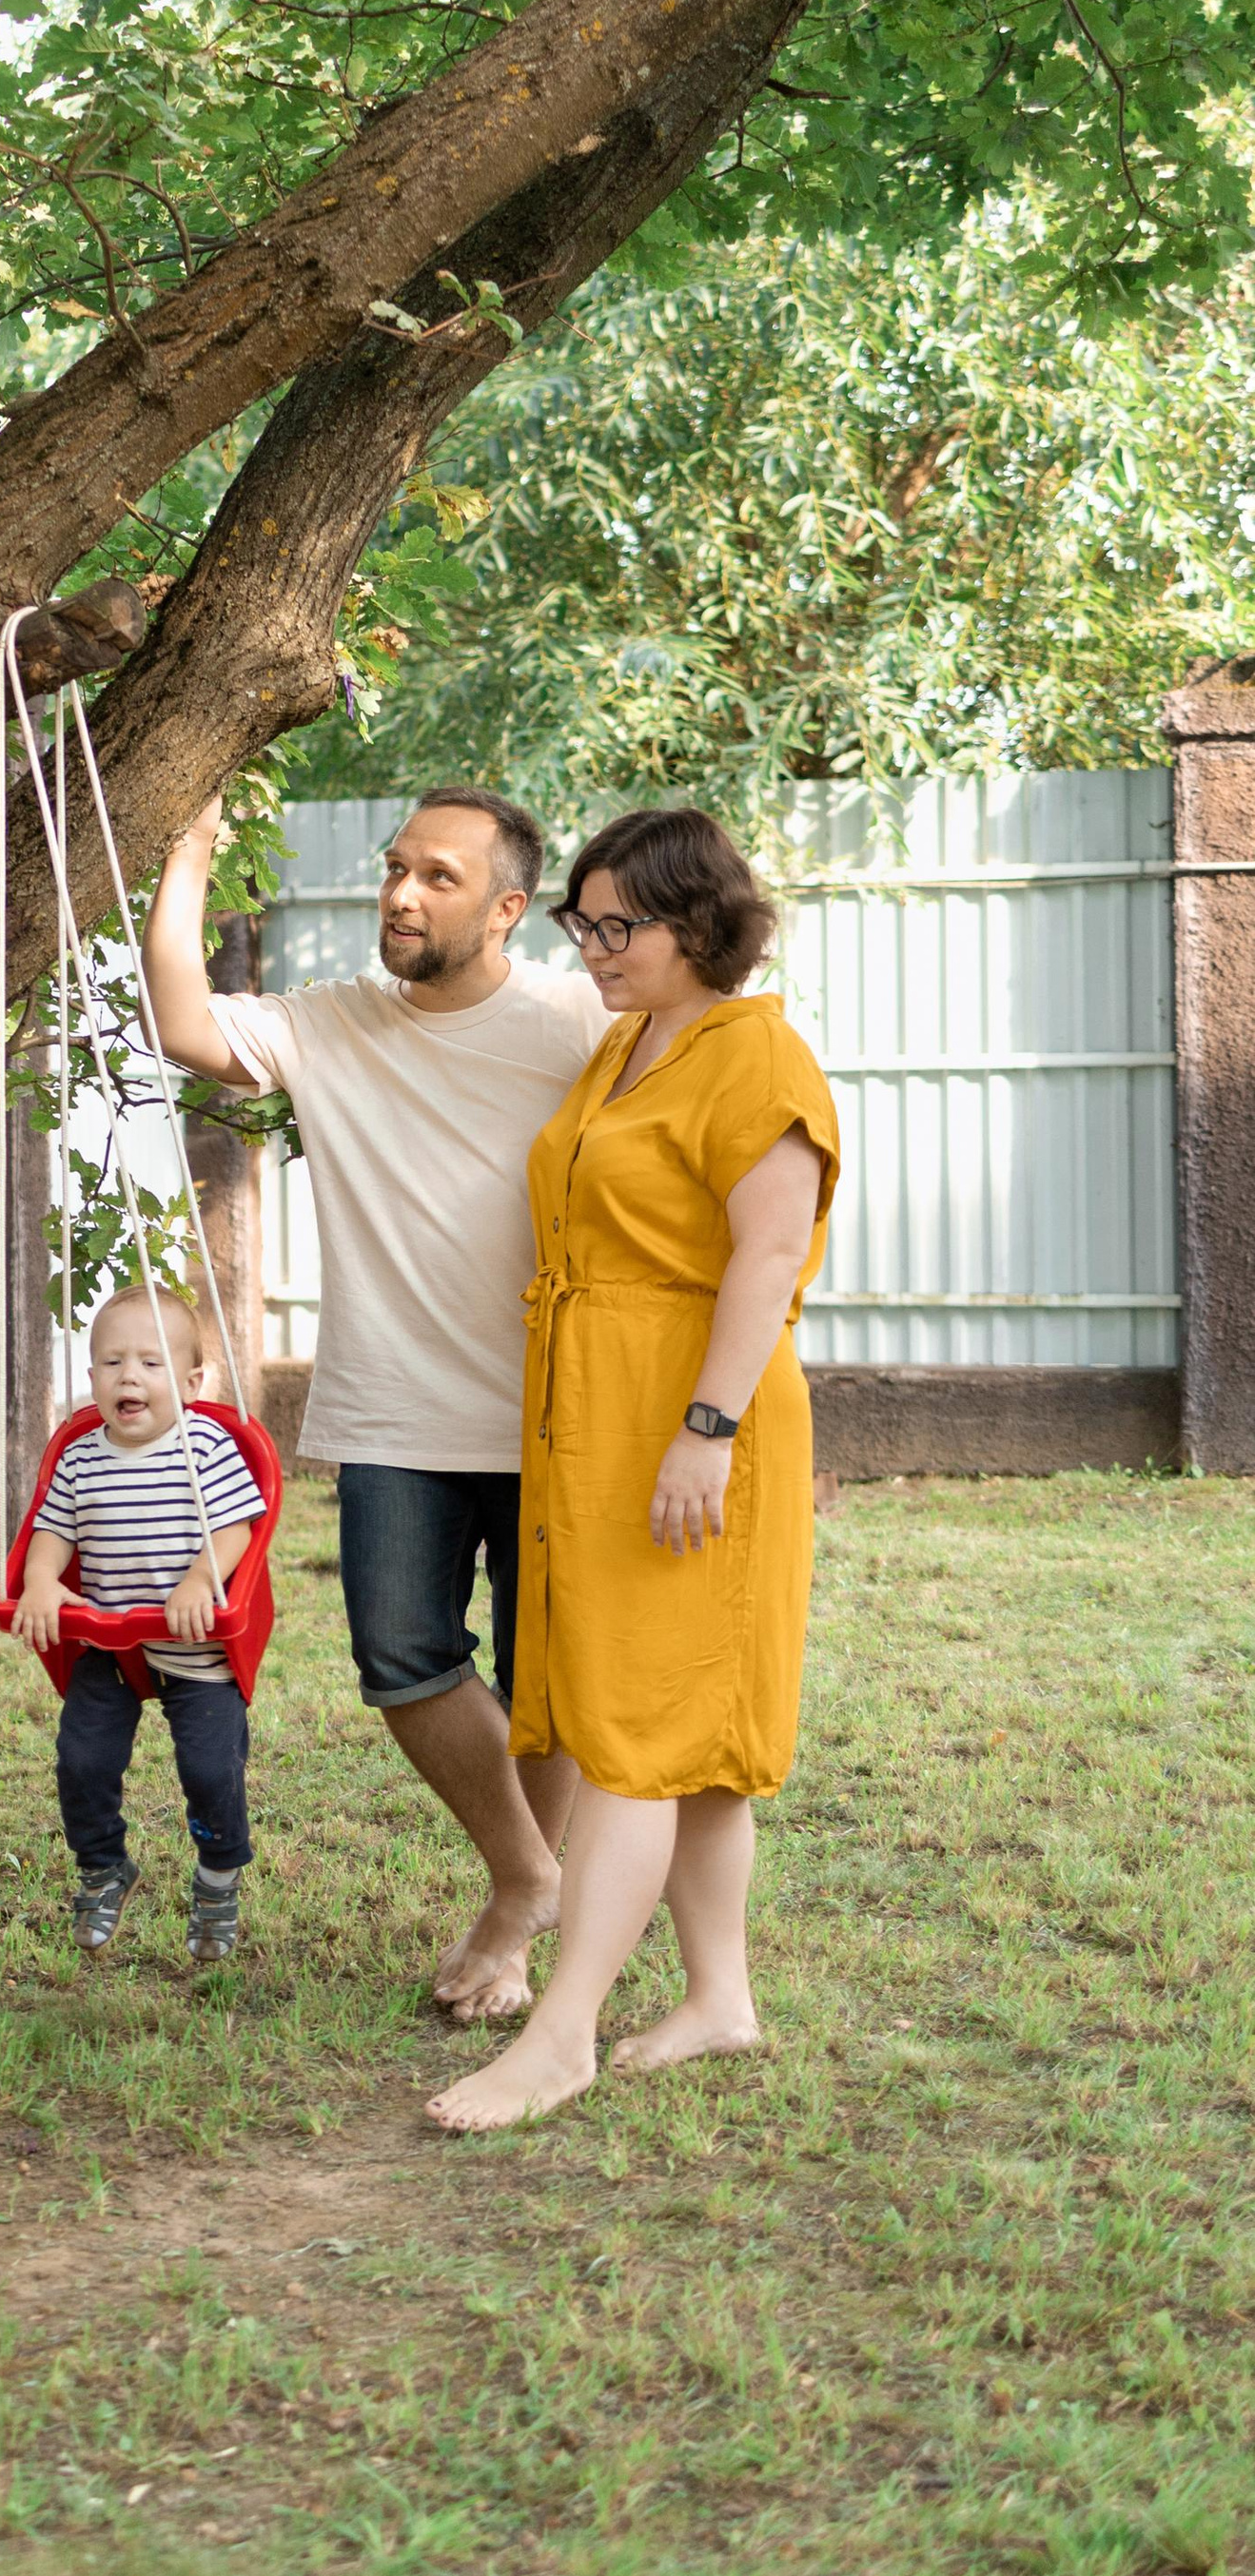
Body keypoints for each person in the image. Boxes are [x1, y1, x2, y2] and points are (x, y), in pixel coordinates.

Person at [145, 788, 604, 2018]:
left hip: (563, 1413)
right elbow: (183, 1023)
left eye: (439, 877)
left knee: (544, 1680)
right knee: (404, 1661)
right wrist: (189, 850)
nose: (401, 894)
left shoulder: (576, 1017)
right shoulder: (329, 1024)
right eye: (396, 869)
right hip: (396, 1406)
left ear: (510, 908)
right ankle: (529, 1879)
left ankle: (513, 1924)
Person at [427, 808, 838, 2133]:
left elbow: (767, 1261)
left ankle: (563, 2032)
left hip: (691, 1420)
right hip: (602, 1417)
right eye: (583, 924)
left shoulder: (755, 1056)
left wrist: (705, 1434)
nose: (595, 948)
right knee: (684, 1735)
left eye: (623, 926)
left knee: (634, 1741)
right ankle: (719, 1999)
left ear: (703, 924)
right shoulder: (626, 1046)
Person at [12, 1282, 267, 1965]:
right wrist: (40, 1581)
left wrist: (197, 1580)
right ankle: (103, 1867)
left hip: (195, 1643)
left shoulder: (206, 1444)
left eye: (151, 1363)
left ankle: (218, 1873)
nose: (130, 1375)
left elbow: (238, 1527)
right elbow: (52, 1533)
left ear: (190, 1381)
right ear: (90, 1375)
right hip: (108, 1644)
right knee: (82, 1760)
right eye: (112, 1361)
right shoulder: (79, 1455)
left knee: (211, 1770)